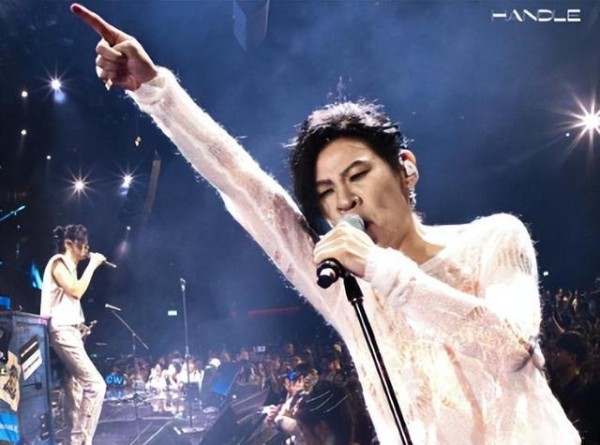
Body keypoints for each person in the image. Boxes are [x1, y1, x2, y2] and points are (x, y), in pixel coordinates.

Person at [71, 4, 580, 443]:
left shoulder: (494, 238)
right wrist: (156, 91)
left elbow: (511, 346)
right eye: (326, 193)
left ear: (405, 168)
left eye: (358, 175)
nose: (346, 200)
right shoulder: (347, 289)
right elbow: (245, 187)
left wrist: (382, 269)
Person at [40, 224, 107, 445]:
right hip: (61, 332)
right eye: (83, 245)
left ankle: (75, 440)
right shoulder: (57, 262)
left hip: (71, 333)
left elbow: (67, 302)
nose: (87, 249)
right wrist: (93, 265)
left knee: (74, 390)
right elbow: (76, 291)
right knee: (96, 385)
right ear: (69, 244)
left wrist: (81, 327)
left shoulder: (71, 267)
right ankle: (79, 441)